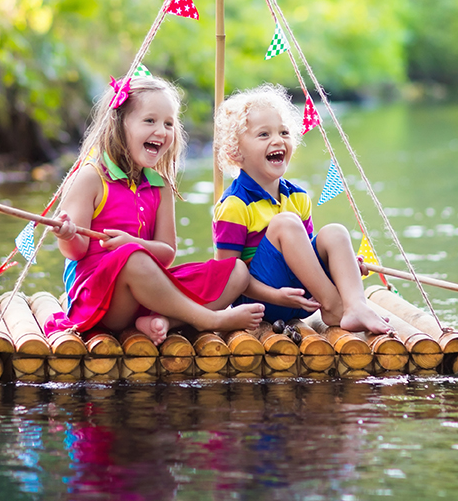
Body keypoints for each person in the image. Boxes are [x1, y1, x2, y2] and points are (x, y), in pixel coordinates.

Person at [45, 75, 264, 344]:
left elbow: (167, 254)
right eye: (150, 121)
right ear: (119, 124)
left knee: (236, 271)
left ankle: (164, 321)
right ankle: (209, 319)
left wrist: (134, 243)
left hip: (148, 294)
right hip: (101, 302)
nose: (161, 131)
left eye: (169, 123)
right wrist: (66, 235)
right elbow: (76, 251)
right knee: (132, 257)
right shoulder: (91, 178)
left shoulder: (159, 186)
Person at [211, 84, 391, 334]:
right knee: (286, 223)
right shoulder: (234, 205)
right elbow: (227, 277)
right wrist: (275, 295)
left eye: (284, 132)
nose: (278, 140)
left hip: (304, 298)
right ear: (236, 151)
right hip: (260, 303)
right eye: (264, 135)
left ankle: (355, 303)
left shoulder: (298, 196)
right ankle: (337, 307)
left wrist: (341, 266)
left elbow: (307, 259)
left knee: (335, 233)